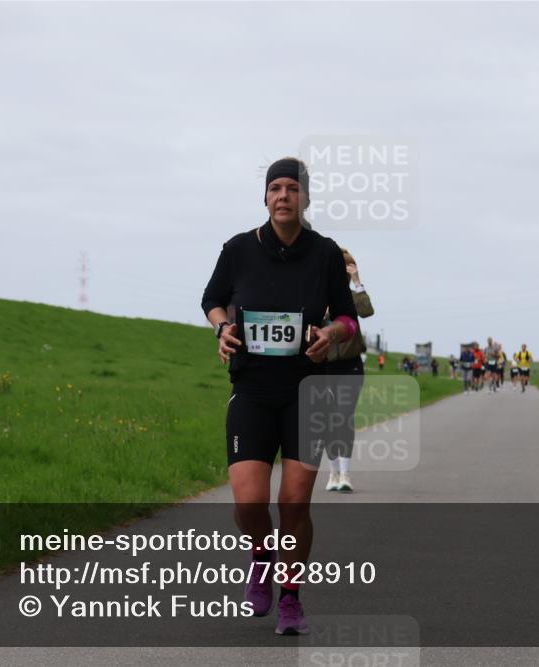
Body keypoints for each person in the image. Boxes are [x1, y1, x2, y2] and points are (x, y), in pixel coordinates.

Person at [201, 157, 359, 636]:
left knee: (294, 505)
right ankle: (261, 555)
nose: (283, 195)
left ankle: (290, 597)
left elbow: (349, 319)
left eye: (293, 187)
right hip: (252, 390)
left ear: (305, 198)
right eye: (276, 188)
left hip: (307, 393)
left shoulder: (325, 253)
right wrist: (223, 328)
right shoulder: (238, 249)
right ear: (265, 197)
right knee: (250, 505)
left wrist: (331, 334)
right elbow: (211, 300)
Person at [324, 248, 374, 494]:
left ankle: (345, 473)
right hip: (324, 366)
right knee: (326, 420)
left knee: (344, 417)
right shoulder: (319, 295)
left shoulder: (352, 297)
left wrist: (357, 281)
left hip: (350, 365)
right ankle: (333, 471)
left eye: (346, 269)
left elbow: (366, 311)